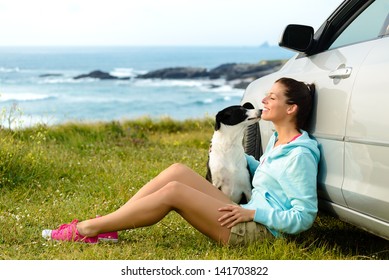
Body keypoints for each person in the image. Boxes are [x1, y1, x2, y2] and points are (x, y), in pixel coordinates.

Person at [42, 77, 320, 246]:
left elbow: (304, 217)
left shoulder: (300, 154)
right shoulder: (277, 142)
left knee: (175, 192)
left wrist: (253, 214)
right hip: (244, 213)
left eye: (272, 97)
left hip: (259, 231)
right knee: (177, 171)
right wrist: (233, 156)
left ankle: (86, 229)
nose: (263, 100)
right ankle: (110, 226)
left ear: (291, 108)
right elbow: (269, 177)